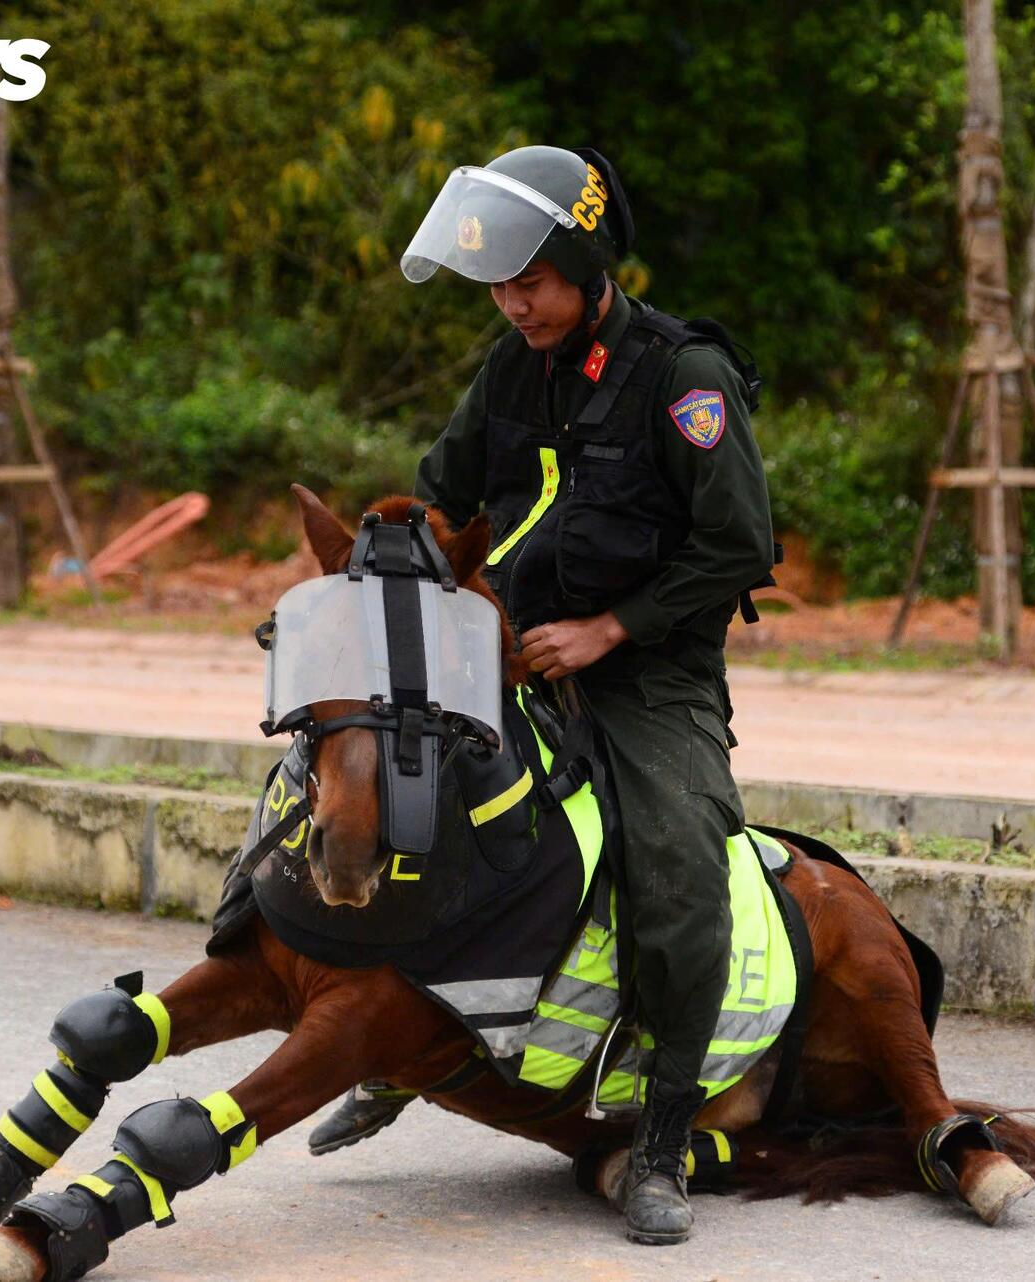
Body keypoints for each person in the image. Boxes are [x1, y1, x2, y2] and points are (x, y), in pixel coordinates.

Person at [307, 144, 775, 1246]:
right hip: (504, 653)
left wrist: (612, 629)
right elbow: (439, 491)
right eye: (499, 288)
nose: (513, 306)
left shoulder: (682, 376)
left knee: (675, 870)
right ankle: (394, 1054)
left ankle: (660, 1142)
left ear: (587, 264)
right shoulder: (510, 370)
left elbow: (739, 544)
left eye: (531, 283)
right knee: (390, 807)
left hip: (650, 677)